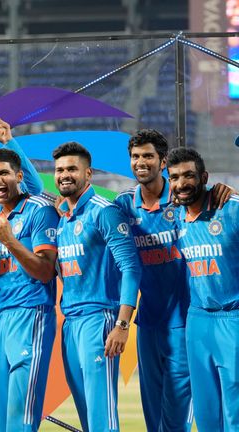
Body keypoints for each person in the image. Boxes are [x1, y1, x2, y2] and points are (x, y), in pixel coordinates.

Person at [52, 142, 142, 432]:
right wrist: (8, 141)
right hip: (70, 324)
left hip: (99, 319)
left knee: (102, 418)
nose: (65, 174)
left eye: (71, 169)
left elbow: (131, 267)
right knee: (88, 417)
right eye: (59, 169)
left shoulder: (105, 212)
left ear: (87, 174)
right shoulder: (64, 219)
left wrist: (122, 324)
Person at [0, 149, 59, 431]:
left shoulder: (39, 211)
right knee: (0, 417)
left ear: (19, 176)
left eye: (4, 173)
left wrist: (10, 241)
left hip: (31, 314)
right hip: (1, 316)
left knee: (21, 419)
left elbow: (46, 271)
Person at [112, 130, 193, 431]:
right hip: (147, 323)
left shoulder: (182, 197)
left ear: (162, 162)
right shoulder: (122, 205)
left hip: (184, 321)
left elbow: (214, 199)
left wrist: (221, 189)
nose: (140, 162)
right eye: (135, 156)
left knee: (177, 416)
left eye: (148, 156)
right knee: (152, 415)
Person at [167, 147, 239, 431]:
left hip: (232, 318)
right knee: (206, 415)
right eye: (174, 177)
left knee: (235, 412)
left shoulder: (230, 208)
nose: (181, 183)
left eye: (188, 175)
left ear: (204, 177)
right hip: (197, 321)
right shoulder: (174, 217)